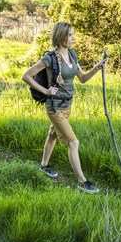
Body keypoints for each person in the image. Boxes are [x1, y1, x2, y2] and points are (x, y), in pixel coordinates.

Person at [22, 22, 107, 193]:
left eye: (72, 34)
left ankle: (44, 165)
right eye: (70, 35)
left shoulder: (72, 55)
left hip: (68, 105)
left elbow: (82, 78)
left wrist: (97, 67)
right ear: (61, 37)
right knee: (73, 142)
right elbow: (26, 76)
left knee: (52, 135)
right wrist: (46, 90)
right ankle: (82, 181)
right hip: (54, 107)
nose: (73, 38)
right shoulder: (50, 58)